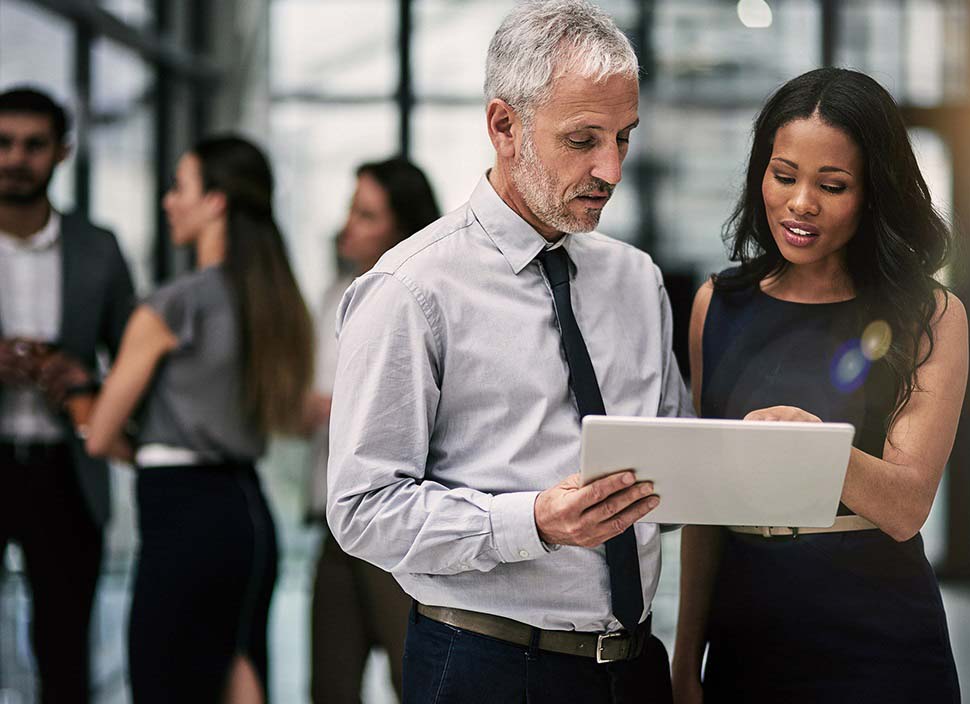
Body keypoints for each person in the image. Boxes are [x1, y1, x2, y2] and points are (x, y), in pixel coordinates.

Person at [326, 1, 691, 702]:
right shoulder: (410, 289)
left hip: (635, 666)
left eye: (624, 136)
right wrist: (531, 523)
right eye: (583, 140)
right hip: (487, 667)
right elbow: (362, 508)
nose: (610, 169)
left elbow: (666, 477)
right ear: (503, 126)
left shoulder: (636, 280)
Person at [670, 67, 968, 703]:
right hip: (746, 640)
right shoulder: (716, 305)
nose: (800, 202)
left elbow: (906, 505)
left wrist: (814, 447)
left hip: (878, 648)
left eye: (832, 185)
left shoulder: (930, 315)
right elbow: (705, 511)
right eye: (784, 176)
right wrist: (684, 661)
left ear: (872, 193)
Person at [78, 135, 314, 703]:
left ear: (216, 202)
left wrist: (75, 391)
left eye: (179, 186)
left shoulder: (173, 304)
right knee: (239, 673)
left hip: (183, 517)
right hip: (248, 518)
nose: (167, 201)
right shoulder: (272, 300)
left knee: (163, 684)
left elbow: (101, 435)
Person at [0, 86, 135, 704]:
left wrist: (79, 378)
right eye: (3, 143)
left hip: (67, 471)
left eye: (32, 145)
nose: (15, 158)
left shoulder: (98, 248)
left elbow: (136, 366)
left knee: (64, 654)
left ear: (62, 153)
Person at [306, 157, 440, 703]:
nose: (347, 228)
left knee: (413, 681)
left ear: (401, 226)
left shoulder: (428, 299)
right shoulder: (334, 296)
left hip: (401, 532)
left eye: (366, 215)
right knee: (329, 683)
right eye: (351, 212)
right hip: (335, 525)